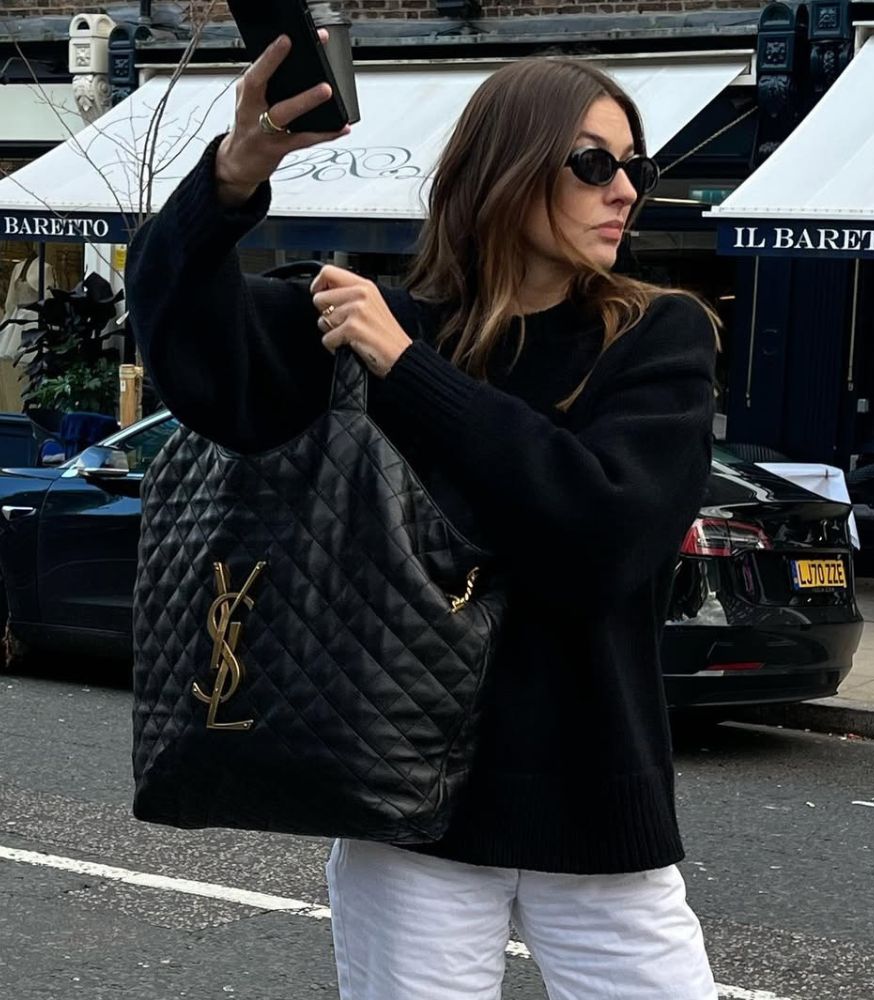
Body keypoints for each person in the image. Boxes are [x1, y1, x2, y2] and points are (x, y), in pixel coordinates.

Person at [126, 36, 719, 1000]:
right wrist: (232, 178)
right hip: (405, 810)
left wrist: (411, 374)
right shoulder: (372, 322)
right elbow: (186, 345)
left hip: (595, 805)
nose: (625, 191)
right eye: (594, 163)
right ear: (506, 171)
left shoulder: (655, 336)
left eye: (635, 167)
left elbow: (605, 534)